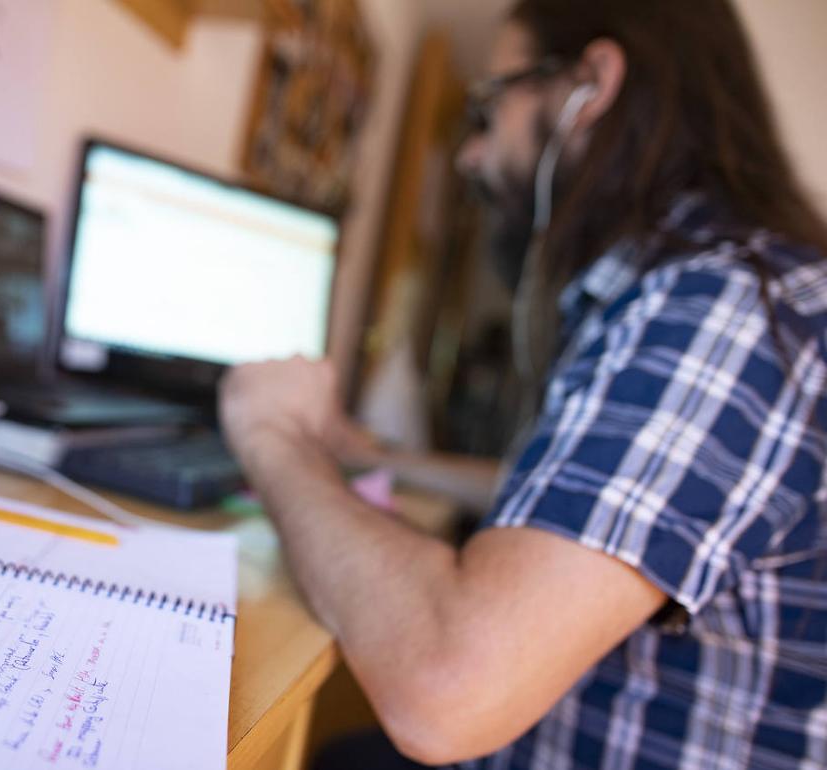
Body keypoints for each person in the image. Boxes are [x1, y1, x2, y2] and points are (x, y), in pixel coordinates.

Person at [219, 1, 827, 767]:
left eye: (487, 105)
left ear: (591, 85)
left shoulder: (720, 305)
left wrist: (271, 439)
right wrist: (366, 455)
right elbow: (566, 507)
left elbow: (447, 690)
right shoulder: (707, 288)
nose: (469, 157)